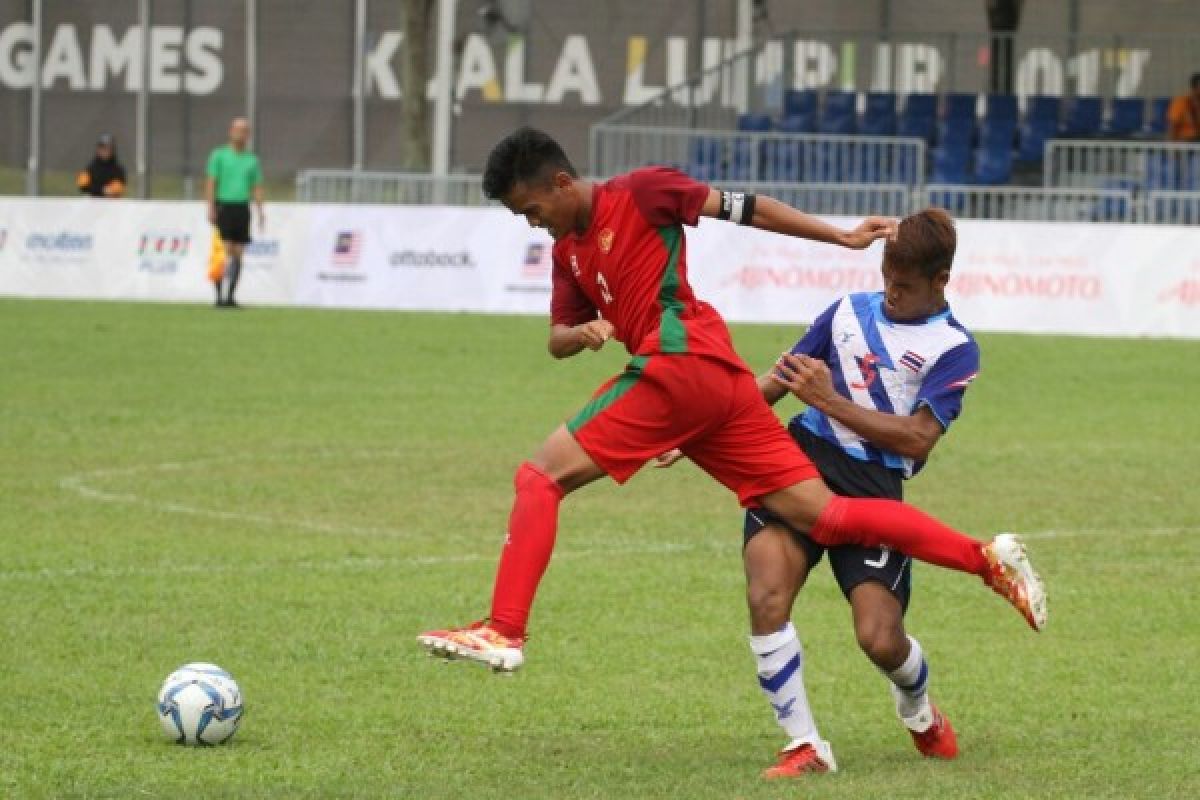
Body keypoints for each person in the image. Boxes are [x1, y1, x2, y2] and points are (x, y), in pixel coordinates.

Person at [416, 127, 1046, 677]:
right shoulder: (566, 253)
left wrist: (841, 238)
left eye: (532, 208)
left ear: (559, 181)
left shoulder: (640, 191)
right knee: (827, 517)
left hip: (680, 361)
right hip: (716, 381)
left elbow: (750, 211)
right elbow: (555, 337)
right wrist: (577, 336)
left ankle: (504, 628)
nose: (533, 222)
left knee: (539, 476)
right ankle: (988, 559)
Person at [659, 208, 977, 778]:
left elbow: (919, 438)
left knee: (880, 639)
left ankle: (919, 709)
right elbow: (781, 381)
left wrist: (830, 400)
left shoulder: (953, 348)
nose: (891, 293)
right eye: (886, 278)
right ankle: (804, 745)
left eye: (904, 286)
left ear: (940, 282)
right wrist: (697, 431)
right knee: (766, 595)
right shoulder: (846, 313)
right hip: (796, 464)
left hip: (874, 487)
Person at [205, 117, 264, 308]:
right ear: (231, 131)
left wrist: (260, 210)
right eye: (238, 129)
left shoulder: (251, 160)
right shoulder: (219, 155)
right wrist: (211, 206)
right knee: (223, 250)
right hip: (225, 206)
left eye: (245, 130)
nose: (241, 133)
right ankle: (219, 295)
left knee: (238, 253)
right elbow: (211, 182)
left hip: (241, 208)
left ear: (249, 135)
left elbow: (256, 186)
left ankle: (230, 296)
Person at [1167, 73, 1200, 142]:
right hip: (1185, 142)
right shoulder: (1180, 103)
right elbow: (1173, 127)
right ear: (1194, 88)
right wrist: (1173, 148)